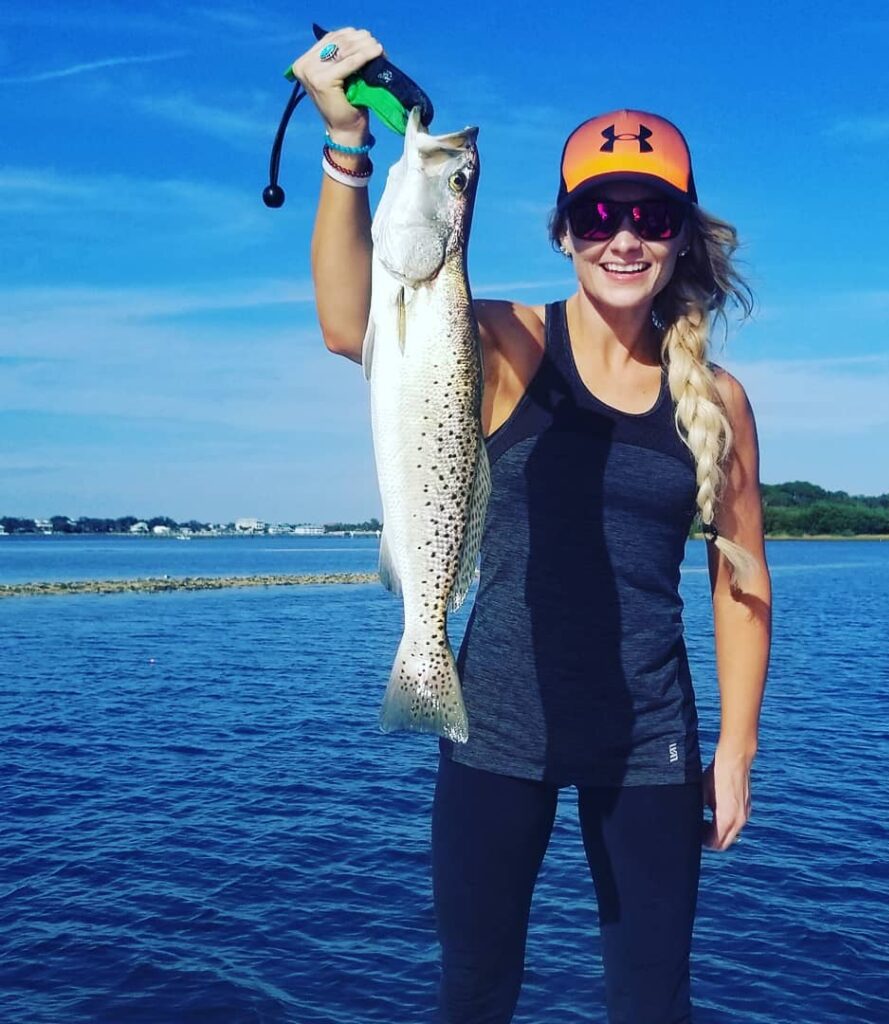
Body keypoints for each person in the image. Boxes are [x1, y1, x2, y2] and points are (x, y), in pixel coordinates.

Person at [292, 26, 772, 1024]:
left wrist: (738, 746)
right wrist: (347, 147)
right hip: (490, 727)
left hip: (650, 741)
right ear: (564, 230)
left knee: (652, 1001)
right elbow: (350, 324)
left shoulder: (717, 396)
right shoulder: (502, 337)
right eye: (599, 213)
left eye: (650, 215)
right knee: (474, 993)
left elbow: (740, 578)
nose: (623, 236)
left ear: (681, 233)